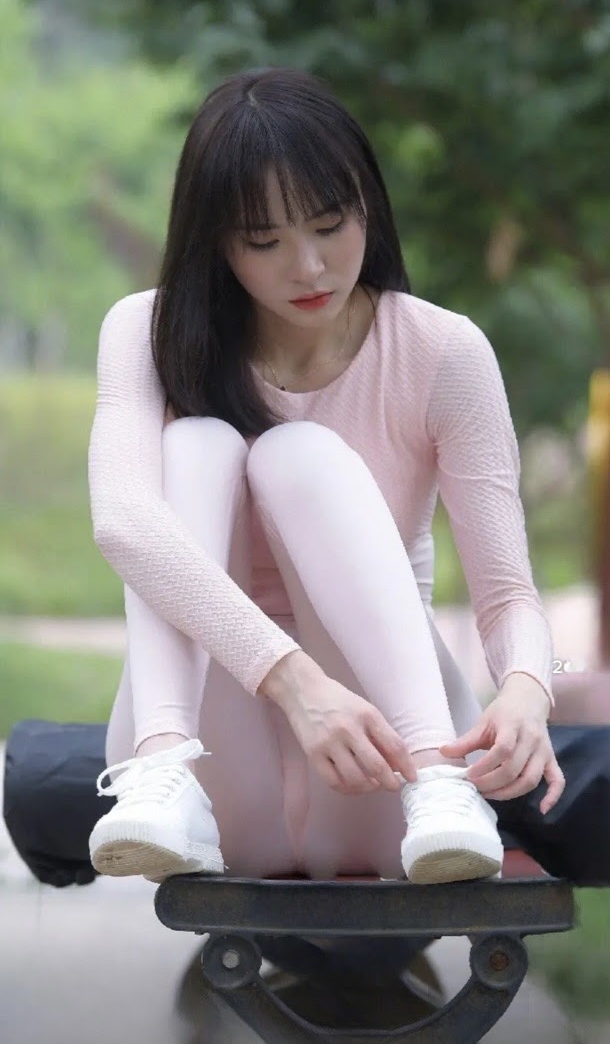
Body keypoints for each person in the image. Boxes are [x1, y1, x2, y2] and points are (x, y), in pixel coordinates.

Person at [87, 65, 565, 888]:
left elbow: (509, 593)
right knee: (197, 444)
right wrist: (294, 685)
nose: (308, 266)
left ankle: (440, 780)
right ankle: (159, 770)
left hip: (388, 753)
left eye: (329, 225)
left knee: (295, 455)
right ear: (215, 242)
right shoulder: (146, 331)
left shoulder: (441, 350)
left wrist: (528, 689)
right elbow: (123, 520)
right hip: (215, 765)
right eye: (264, 241)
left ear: (367, 205)